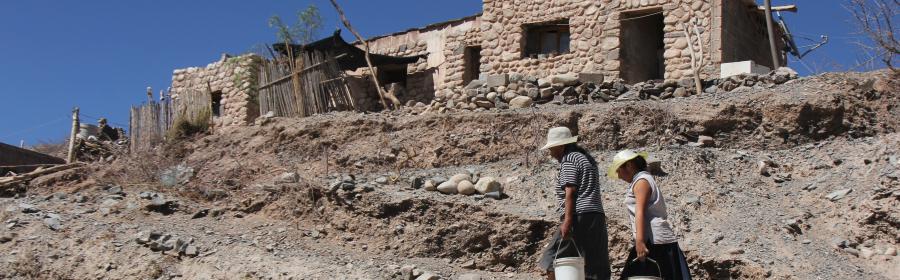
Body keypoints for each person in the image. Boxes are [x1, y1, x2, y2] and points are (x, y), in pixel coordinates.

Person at [538, 126, 611, 280]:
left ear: (561, 146)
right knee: (596, 262)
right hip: (595, 215)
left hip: (579, 216)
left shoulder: (569, 159)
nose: (551, 153)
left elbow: (570, 191)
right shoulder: (585, 158)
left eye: (552, 148)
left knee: (553, 258)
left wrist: (567, 220)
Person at [608, 150, 691, 280]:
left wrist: (640, 242)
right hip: (652, 239)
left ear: (629, 165)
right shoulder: (642, 180)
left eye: (619, 170)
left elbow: (640, 211)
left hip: (654, 241)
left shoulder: (641, 181)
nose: (618, 176)